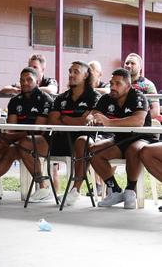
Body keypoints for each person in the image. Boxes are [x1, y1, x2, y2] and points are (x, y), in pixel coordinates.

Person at [0, 67, 53, 202]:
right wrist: (5, 139)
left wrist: (10, 137)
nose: (25, 83)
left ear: (37, 81)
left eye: (29, 80)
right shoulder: (15, 100)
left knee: (25, 142)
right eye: (22, 80)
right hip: (18, 141)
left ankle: (43, 187)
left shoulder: (45, 99)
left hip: (42, 141)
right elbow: (11, 128)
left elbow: (38, 130)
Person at [89, 68, 156, 209]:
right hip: (119, 140)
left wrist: (108, 122)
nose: (113, 87)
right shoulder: (107, 98)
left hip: (142, 138)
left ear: (128, 86)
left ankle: (130, 190)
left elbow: (138, 121)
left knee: (133, 150)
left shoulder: (138, 97)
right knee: (94, 151)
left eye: (118, 84)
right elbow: (94, 113)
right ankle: (114, 190)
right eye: (111, 83)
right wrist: (91, 117)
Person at [47, 61, 101, 205]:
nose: (71, 74)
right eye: (70, 71)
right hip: (62, 140)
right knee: (32, 142)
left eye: (76, 72)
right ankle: (42, 187)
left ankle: (75, 190)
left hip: (85, 140)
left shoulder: (95, 97)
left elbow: (87, 121)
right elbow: (52, 120)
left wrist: (64, 118)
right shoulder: (61, 98)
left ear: (86, 75)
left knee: (83, 142)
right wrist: (76, 120)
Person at [124, 53, 161, 120]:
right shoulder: (117, 83)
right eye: (127, 63)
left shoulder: (148, 85)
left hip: (140, 125)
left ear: (140, 67)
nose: (129, 65)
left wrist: (137, 120)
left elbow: (155, 111)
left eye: (132, 63)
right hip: (119, 123)